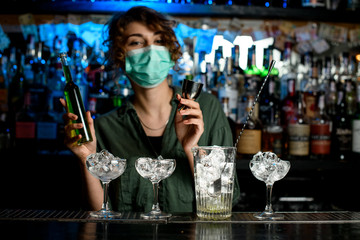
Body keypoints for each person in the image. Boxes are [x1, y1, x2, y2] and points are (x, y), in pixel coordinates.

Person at [60, 6, 240, 213]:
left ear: (171, 51)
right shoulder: (104, 128)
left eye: (159, 41)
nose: (151, 50)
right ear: (120, 55)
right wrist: (86, 159)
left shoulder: (206, 109)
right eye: (136, 42)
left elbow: (222, 203)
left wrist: (192, 149)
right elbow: (98, 214)